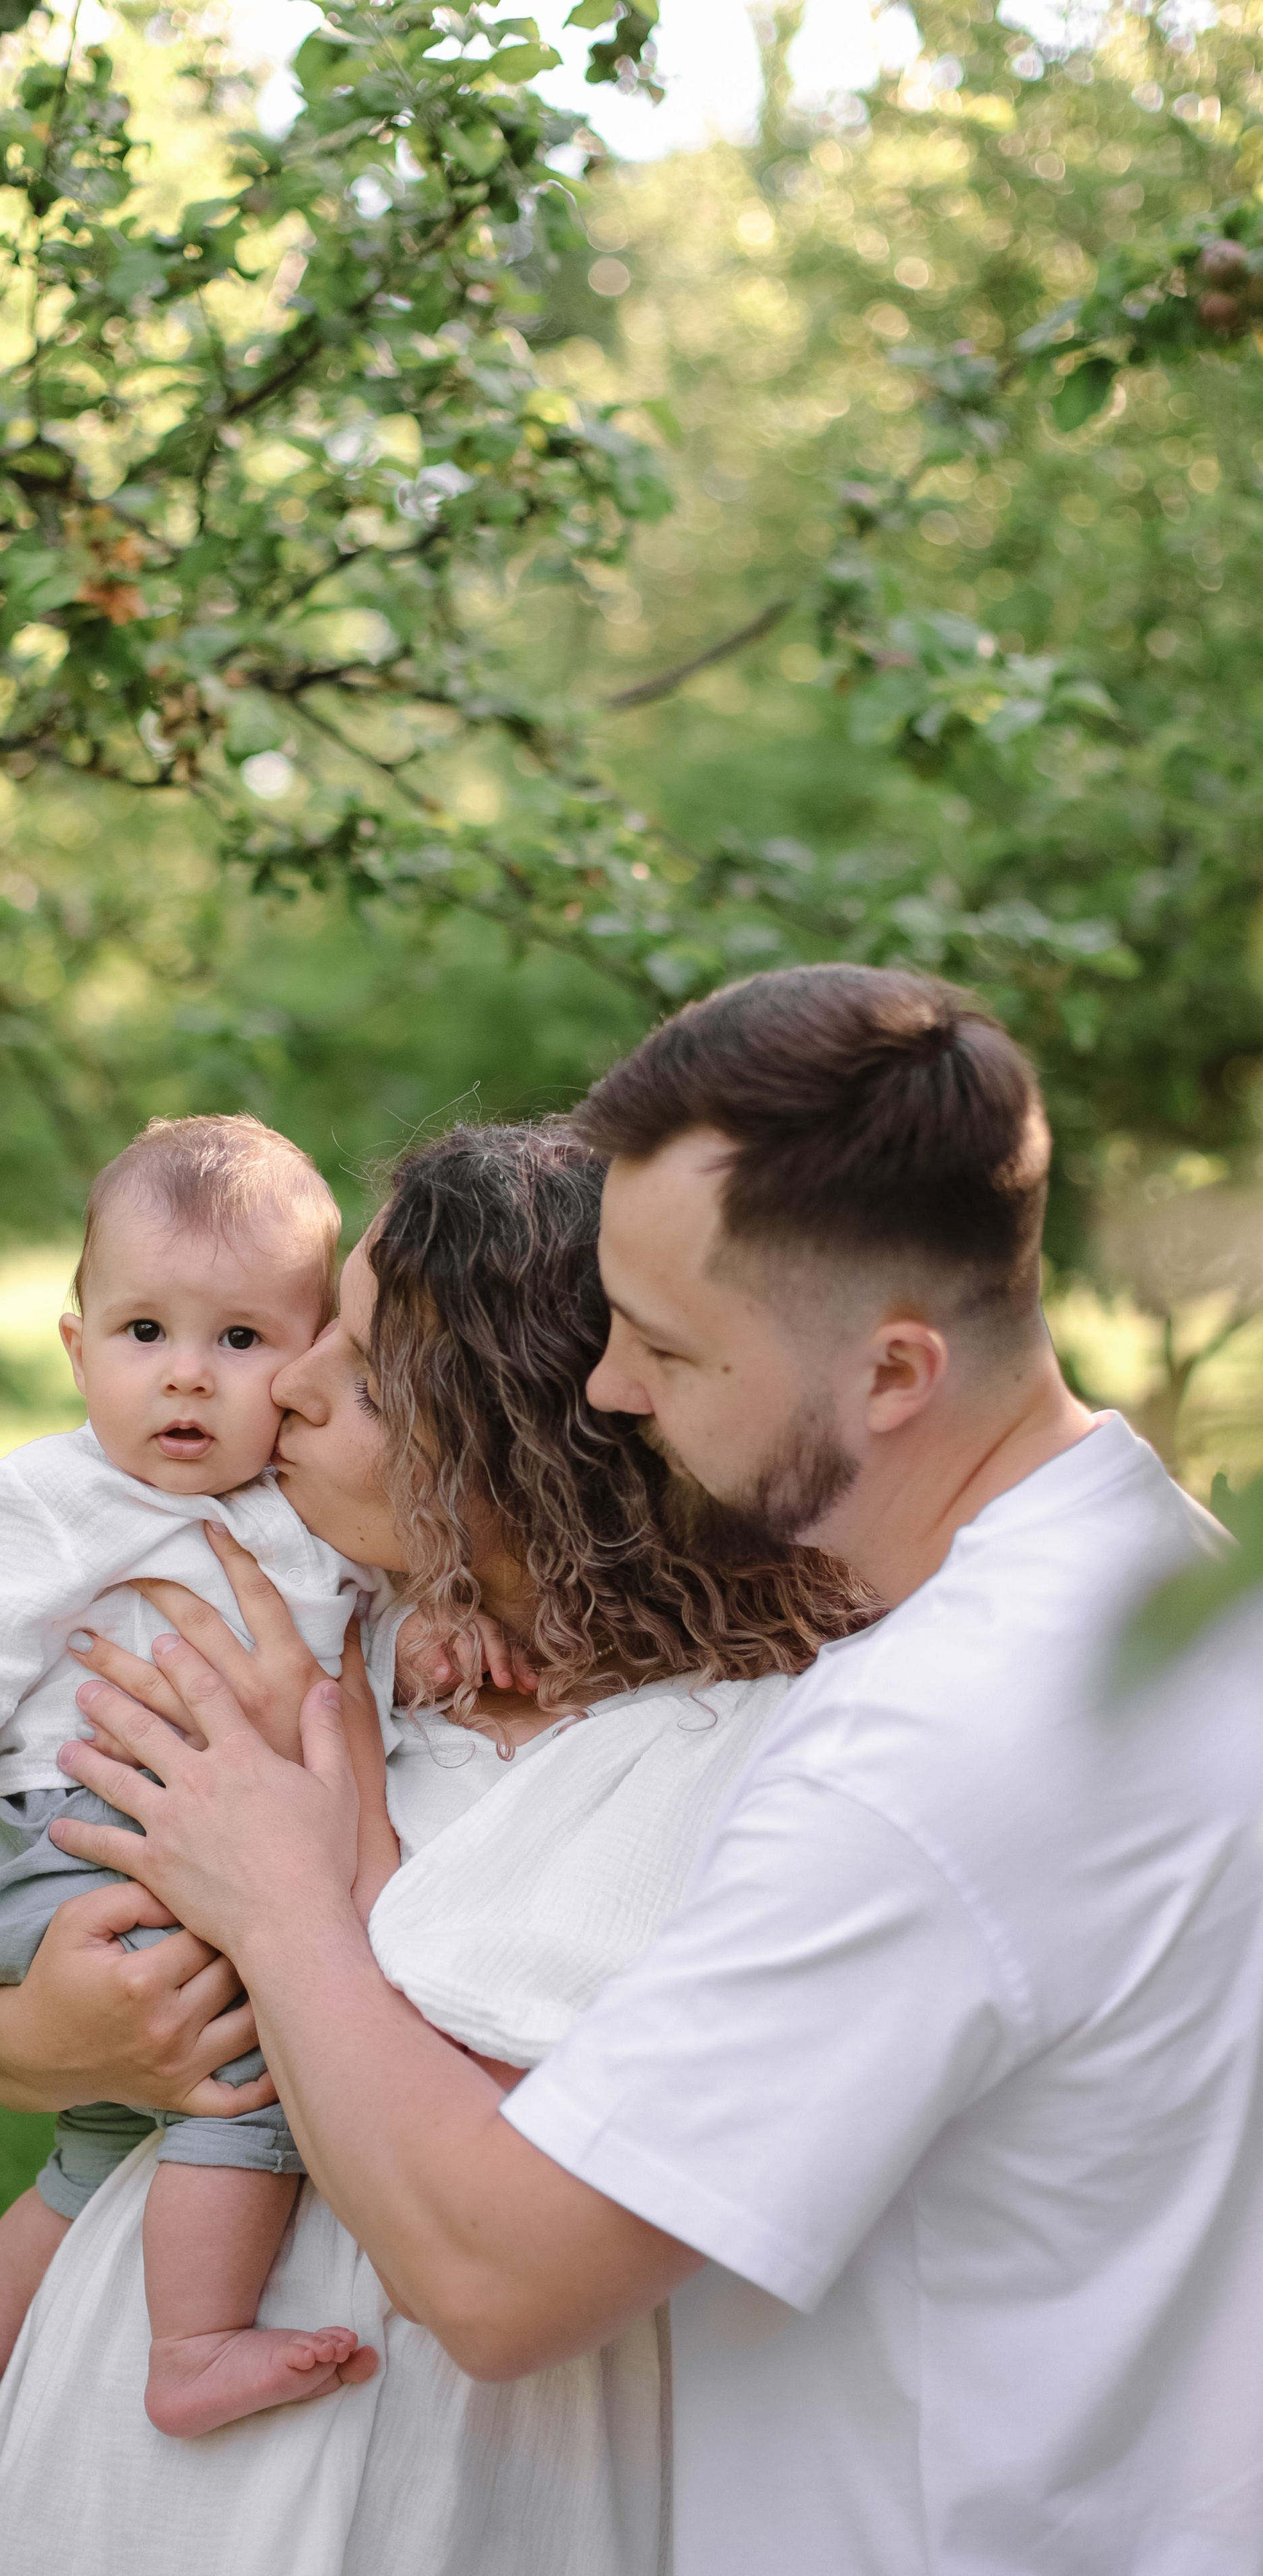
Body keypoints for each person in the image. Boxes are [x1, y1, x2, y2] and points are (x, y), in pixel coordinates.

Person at [62, 965, 1263, 2575]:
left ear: (892, 1374)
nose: (609, 1393)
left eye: (666, 1348)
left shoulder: (913, 1756)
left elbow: (494, 2281)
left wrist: (281, 1897)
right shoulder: (1161, 1584)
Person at [0, 1120, 869, 2576]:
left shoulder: (715, 1754)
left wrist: (322, 1852)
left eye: (361, 1375)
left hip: (462, 2480)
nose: (283, 1384)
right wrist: (39, 2029)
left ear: (526, 1457)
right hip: (126, 2443)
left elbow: (489, 2176)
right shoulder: (335, 1621)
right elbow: (27, 1970)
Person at [0, 1113, 405, 2489]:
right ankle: (193, 2346)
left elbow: (376, 1621)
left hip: (166, 1842)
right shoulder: (54, 1495)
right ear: (75, 1346)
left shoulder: (301, 1503)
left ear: (309, 1360)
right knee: (253, 2075)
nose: (186, 1380)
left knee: (107, 2138)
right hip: (60, 1843)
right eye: (144, 1334)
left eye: (240, 1342)